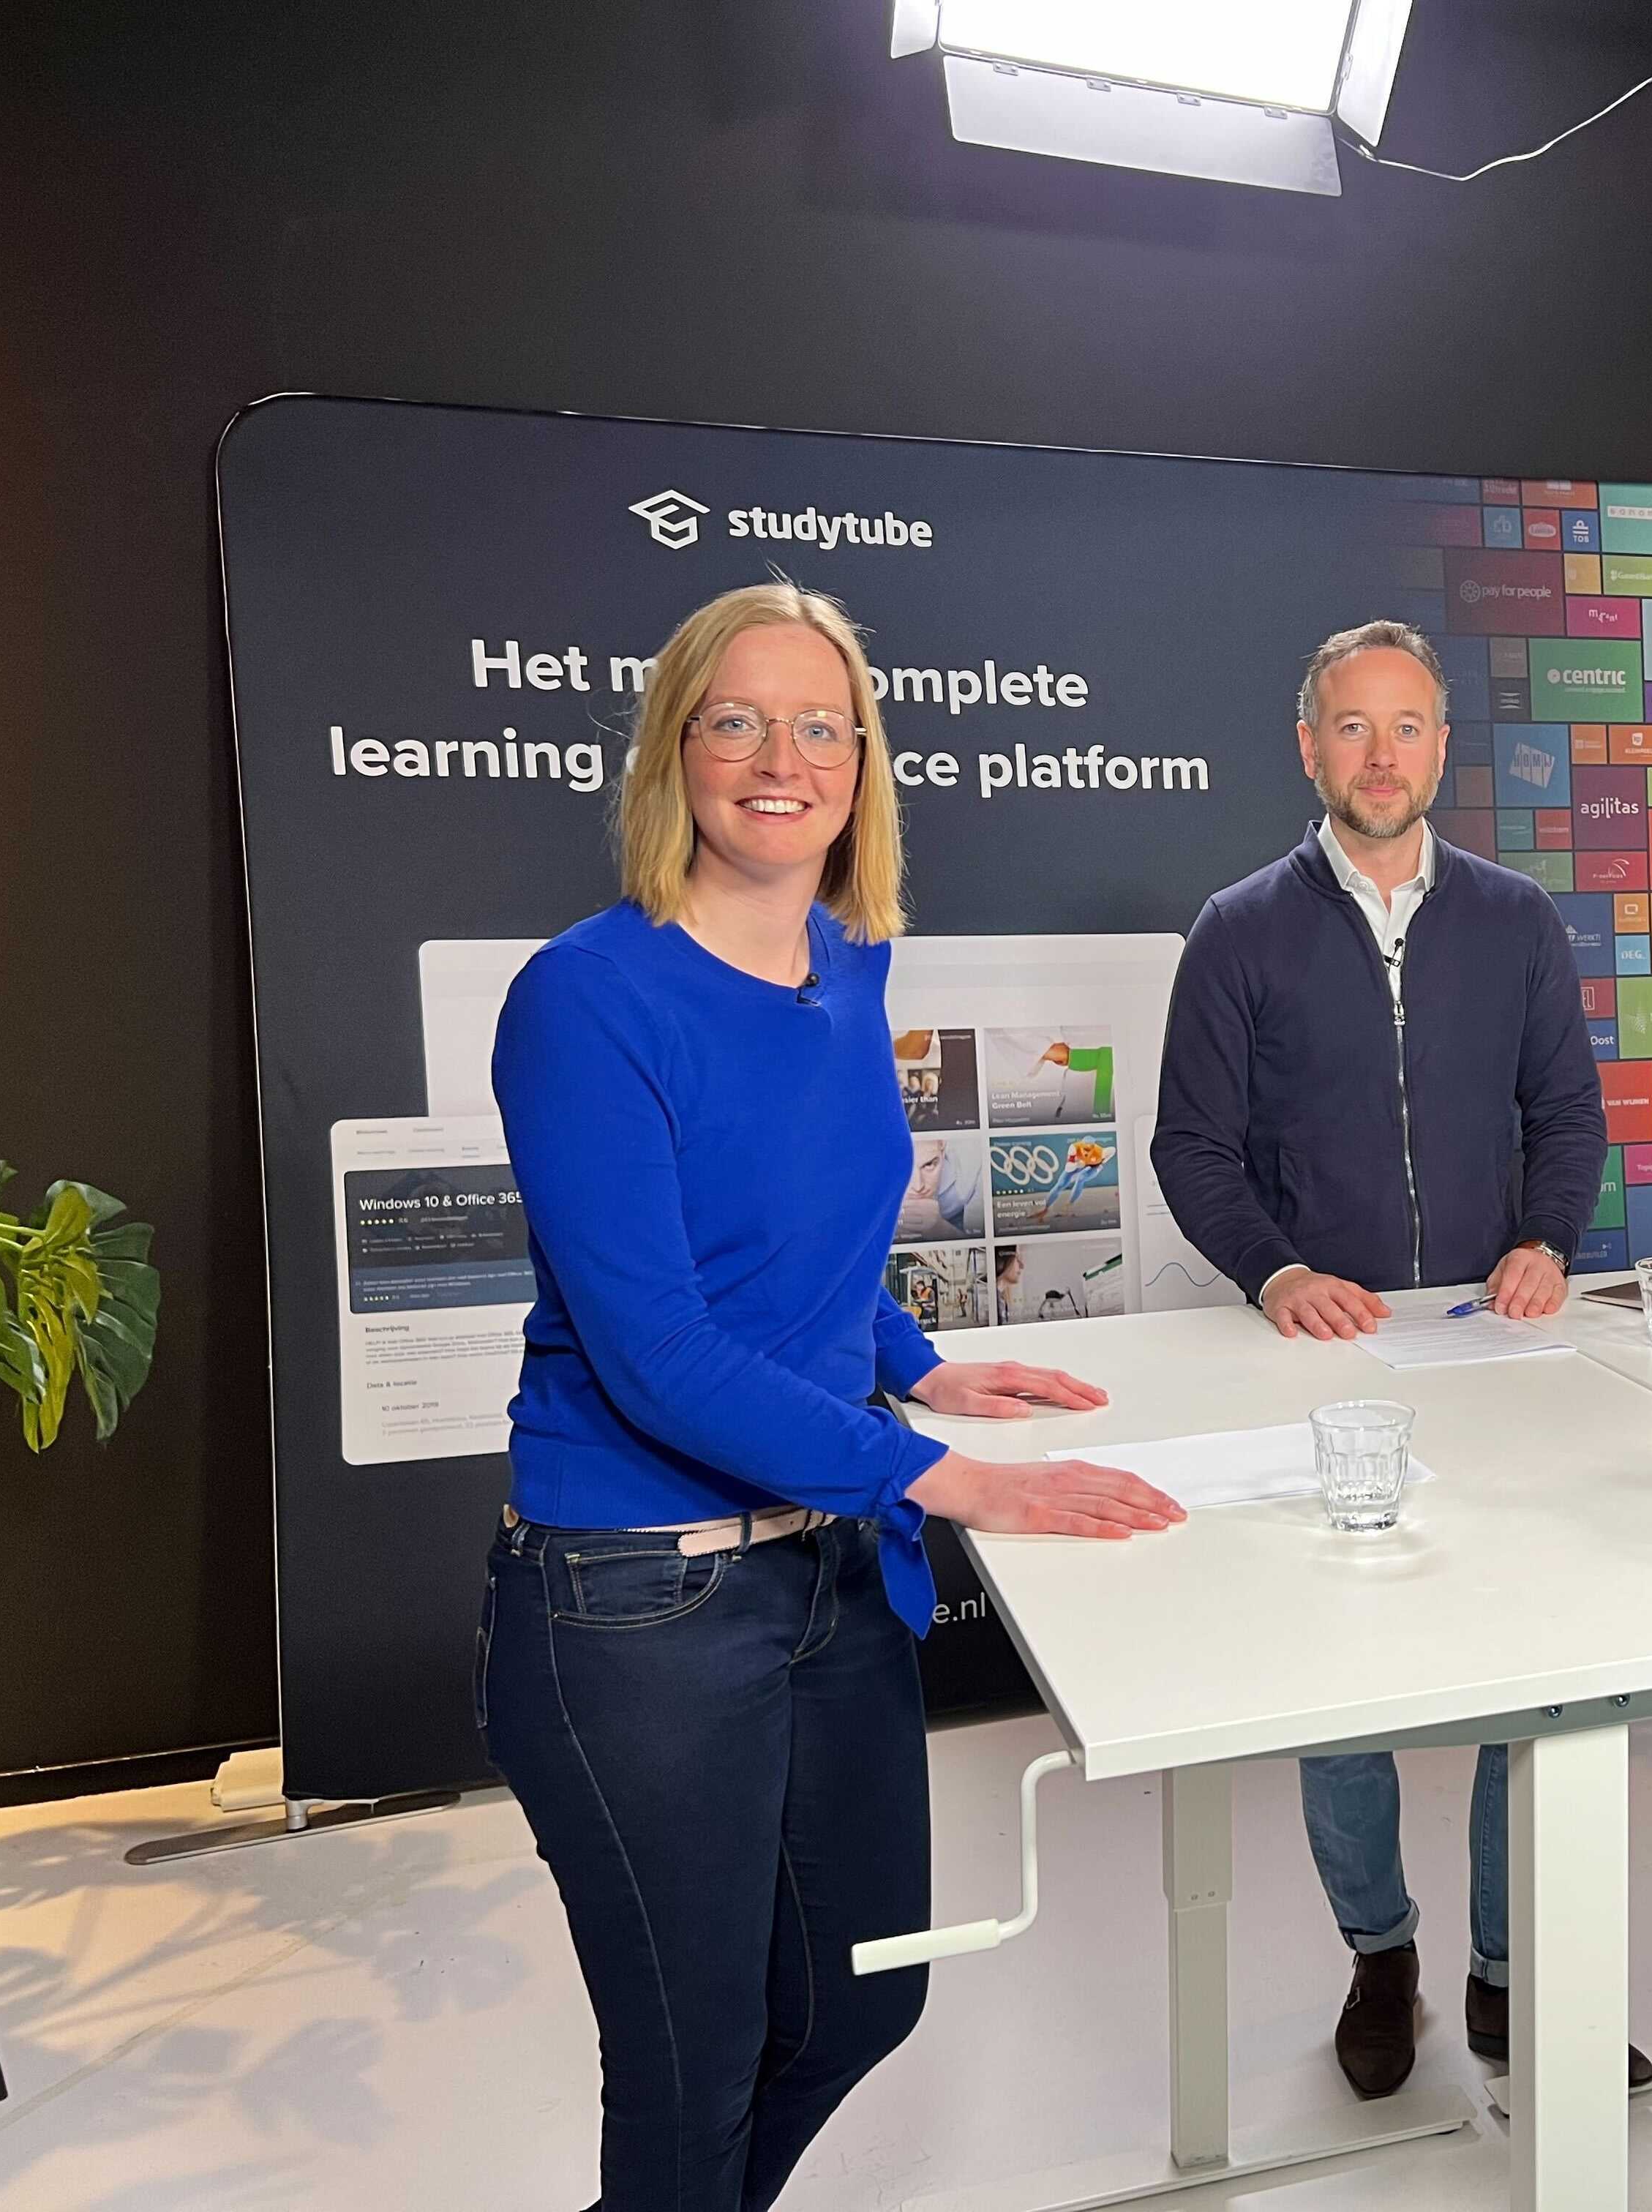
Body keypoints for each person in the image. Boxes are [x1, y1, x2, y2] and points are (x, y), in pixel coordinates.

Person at [482, 581, 1184, 2212]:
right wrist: (941, 1472)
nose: (779, 757)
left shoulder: (848, 960)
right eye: (737, 719)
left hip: (823, 1569)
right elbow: (660, 1348)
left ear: (862, 765)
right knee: (691, 2070)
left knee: (867, 1992)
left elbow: (805, 1235)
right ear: (677, 751)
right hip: (638, 1604)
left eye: (821, 725)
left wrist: (914, 1356)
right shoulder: (589, 999)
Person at [1151, 618, 1636, 2099]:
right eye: (1351, 728)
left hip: (1499, 1347)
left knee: (1527, 1671)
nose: (1381, 755)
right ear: (1310, 747)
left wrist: (1549, 1238)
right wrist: (1281, 1268)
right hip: (1329, 1353)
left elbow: (1567, 1116)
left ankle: (1508, 1975)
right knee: (1347, 1681)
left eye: (1409, 726)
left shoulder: (1517, 918)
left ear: (1444, 746)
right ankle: (1383, 1956)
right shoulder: (1240, 927)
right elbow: (1194, 1146)